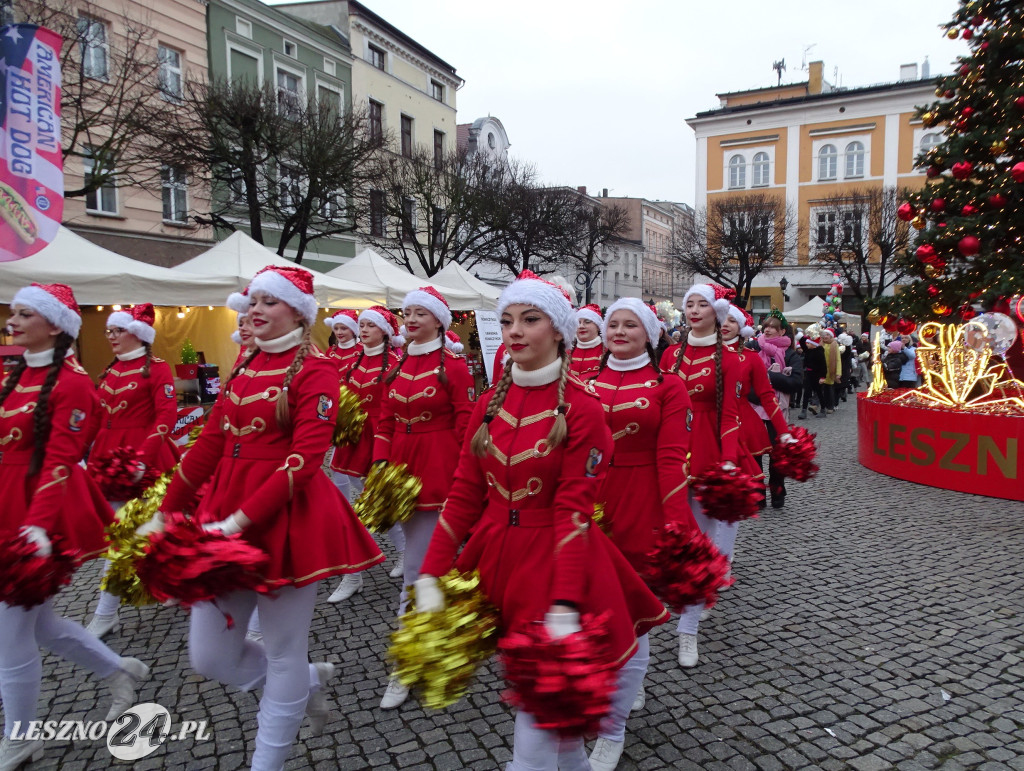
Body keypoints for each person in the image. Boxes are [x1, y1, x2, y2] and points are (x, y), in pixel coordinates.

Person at [416, 271, 668, 771]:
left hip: (556, 564)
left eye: (529, 319)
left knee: (534, 738)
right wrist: (430, 573)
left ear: (558, 330)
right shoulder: (489, 403)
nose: (514, 330)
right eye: (508, 320)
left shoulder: (583, 408)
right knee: (558, 732)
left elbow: (574, 509)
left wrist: (564, 602)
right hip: (496, 559)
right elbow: (463, 494)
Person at [153, 266, 385, 769]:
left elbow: (305, 460)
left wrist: (239, 523)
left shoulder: (316, 370)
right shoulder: (246, 359)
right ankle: (305, 684)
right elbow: (211, 441)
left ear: (298, 313)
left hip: (285, 517)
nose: (255, 309)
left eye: (268, 301)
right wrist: (167, 510)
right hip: (223, 507)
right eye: (252, 300)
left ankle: (268, 759)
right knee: (209, 656)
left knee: (283, 650)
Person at [0, 283, 150, 770]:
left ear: (53, 324)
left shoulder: (74, 384)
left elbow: (61, 459)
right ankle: (118, 671)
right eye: (13, 312)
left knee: (10, 630)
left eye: (25, 313)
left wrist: (36, 528)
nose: (12, 321)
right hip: (7, 502)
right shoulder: (17, 374)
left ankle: (20, 737)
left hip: (41, 512)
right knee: (39, 624)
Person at [587, 298, 693, 770]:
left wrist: (676, 523)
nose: (619, 330)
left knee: (633, 609)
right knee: (590, 605)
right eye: (613, 323)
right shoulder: (583, 381)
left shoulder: (669, 385)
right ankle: (620, 683)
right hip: (590, 502)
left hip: (642, 501)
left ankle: (613, 727)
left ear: (650, 334)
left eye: (630, 324)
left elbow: (671, 457)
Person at [374, 286, 475, 710]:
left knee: (419, 567)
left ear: (439, 320)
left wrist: (464, 482)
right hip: (401, 472)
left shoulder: (454, 367)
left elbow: (467, 427)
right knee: (428, 566)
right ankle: (434, 640)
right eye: (407, 312)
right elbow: (384, 419)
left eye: (420, 313)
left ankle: (408, 660)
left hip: (438, 473)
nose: (411, 319)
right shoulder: (397, 364)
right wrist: (380, 467)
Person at [659, 283, 743, 668]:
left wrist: (728, 461)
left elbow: (730, 416)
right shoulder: (670, 355)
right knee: (673, 538)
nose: (693, 310)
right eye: (689, 304)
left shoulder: (729, 358)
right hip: (671, 453)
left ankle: (688, 629)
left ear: (717, 313)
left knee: (702, 543)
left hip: (708, 453)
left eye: (702, 304)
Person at [85, 303, 181, 639]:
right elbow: (97, 418)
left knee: (135, 534)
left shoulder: (157, 369)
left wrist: (143, 458)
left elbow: (166, 414)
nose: (111, 336)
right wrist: (77, 453)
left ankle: (105, 612)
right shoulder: (109, 371)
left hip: (145, 458)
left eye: (118, 331)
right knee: (127, 534)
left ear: (137, 334)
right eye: (108, 331)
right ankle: (169, 583)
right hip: (107, 459)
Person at [326, 306, 404, 603]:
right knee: (365, 505)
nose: (364, 329)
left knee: (376, 504)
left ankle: (362, 569)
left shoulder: (395, 362)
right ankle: (363, 567)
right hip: (354, 440)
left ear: (385, 330)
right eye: (362, 324)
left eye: (371, 325)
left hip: (380, 441)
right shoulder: (354, 360)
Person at [747, 312, 803, 508]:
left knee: (777, 455)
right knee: (754, 454)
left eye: (772, 327)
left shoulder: (790, 354)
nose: (768, 330)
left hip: (778, 411)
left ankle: (777, 491)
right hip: (754, 408)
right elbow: (744, 378)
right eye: (766, 327)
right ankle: (757, 494)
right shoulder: (753, 348)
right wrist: (758, 390)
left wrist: (769, 378)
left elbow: (796, 382)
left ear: (782, 331)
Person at [569, 303, 604, 379]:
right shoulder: (567, 352)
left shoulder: (607, 352)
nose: (581, 326)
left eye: (587, 322)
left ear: (598, 326)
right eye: (578, 322)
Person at [323, 309, 362, 376]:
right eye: (336, 329)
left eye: (343, 328)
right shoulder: (330, 351)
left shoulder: (363, 351)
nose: (339, 332)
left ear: (353, 330)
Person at [798, 333, 827, 419]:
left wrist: (823, 377)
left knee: (819, 392)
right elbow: (802, 342)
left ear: (814, 344)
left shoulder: (819, 352)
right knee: (806, 392)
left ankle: (823, 409)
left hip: (817, 375)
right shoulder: (808, 350)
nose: (807, 344)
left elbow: (823, 366)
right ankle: (803, 410)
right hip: (809, 374)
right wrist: (806, 336)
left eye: (809, 343)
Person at [821, 330, 841, 413]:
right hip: (821, 370)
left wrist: (838, 373)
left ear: (831, 336)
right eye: (825, 334)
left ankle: (830, 406)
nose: (826, 336)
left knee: (829, 389)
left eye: (828, 335)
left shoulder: (834, 344)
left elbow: (838, 359)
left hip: (830, 370)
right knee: (821, 388)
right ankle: (823, 405)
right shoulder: (821, 343)